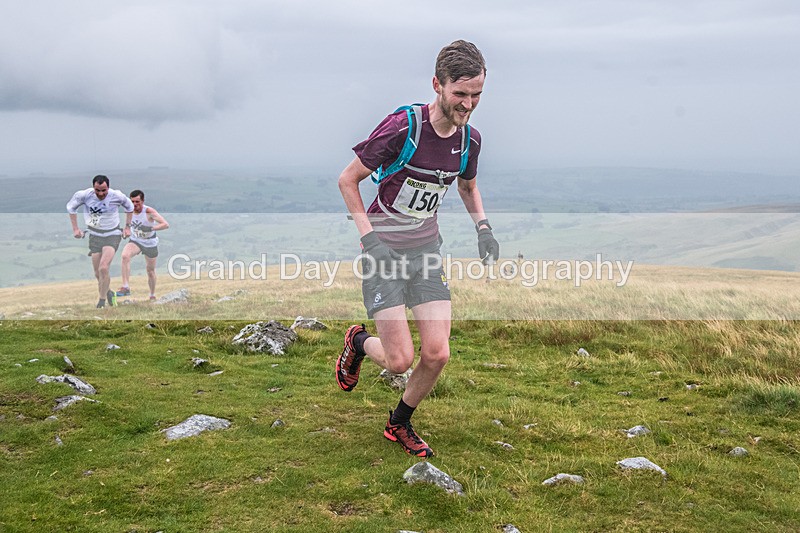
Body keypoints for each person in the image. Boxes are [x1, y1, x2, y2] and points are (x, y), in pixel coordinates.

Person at [335, 40, 499, 457]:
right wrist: (370, 240)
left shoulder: (469, 141)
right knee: (399, 361)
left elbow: (468, 187)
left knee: (438, 353)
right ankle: (358, 342)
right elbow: (347, 180)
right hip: (383, 253)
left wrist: (483, 228)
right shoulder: (403, 128)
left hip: (425, 251)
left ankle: (399, 422)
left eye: (477, 94)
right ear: (437, 85)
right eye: (460, 94)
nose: (468, 104)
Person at [67, 175, 134, 308]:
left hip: (112, 234)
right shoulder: (84, 195)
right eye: (97, 190)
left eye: (104, 190)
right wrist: (75, 229)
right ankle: (109, 293)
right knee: (98, 273)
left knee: (104, 267)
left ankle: (101, 302)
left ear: (108, 187)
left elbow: (129, 207)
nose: (101, 193)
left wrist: (127, 228)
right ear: (93, 187)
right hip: (95, 235)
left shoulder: (117, 196)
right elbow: (71, 208)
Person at [116, 190, 169, 301]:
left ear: (143, 201)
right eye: (132, 201)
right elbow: (128, 225)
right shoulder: (129, 210)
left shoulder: (149, 211)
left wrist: (151, 228)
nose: (134, 204)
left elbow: (165, 224)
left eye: (137, 202)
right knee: (125, 256)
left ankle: (152, 295)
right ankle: (125, 287)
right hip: (136, 240)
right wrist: (125, 231)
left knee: (150, 270)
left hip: (150, 242)